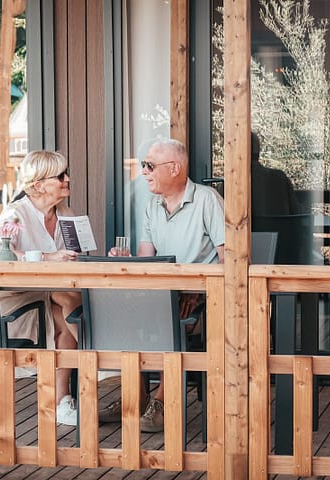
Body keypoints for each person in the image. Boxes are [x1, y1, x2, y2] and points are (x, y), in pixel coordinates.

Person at [103, 138, 225, 432]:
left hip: (200, 299)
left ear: (174, 168)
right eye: (143, 165)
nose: (143, 171)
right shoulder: (152, 205)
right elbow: (147, 261)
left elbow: (229, 259)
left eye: (149, 165)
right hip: (161, 294)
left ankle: (160, 402)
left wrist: (197, 289)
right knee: (117, 312)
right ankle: (135, 396)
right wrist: (128, 260)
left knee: (166, 317)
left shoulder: (207, 200)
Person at [0, 150, 81, 426]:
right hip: (19, 298)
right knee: (69, 302)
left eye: (66, 174)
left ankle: (63, 399)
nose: (68, 179)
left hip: (55, 293)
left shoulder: (65, 213)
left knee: (66, 308)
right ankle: (97, 358)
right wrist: (48, 257)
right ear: (39, 184)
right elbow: (0, 256)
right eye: (61, 176)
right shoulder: (15, 214)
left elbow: (78, 255)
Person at [250, 131, 302, 216]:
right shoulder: (280, 177)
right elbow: (296, 214)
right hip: (282, 225)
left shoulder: (236, 183)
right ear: (259, 151)